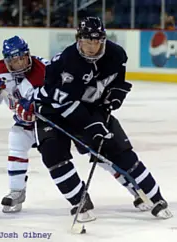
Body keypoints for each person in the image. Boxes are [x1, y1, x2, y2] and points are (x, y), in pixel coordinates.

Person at [16, 17, 172, 219]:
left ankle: (155, 197)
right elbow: (66, 103)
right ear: (78, 40)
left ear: (103, 40)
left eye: (96, 41)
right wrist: (93, 126)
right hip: (54, 110)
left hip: (90, 108)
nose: (91, 46)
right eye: (87, 41)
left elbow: (118, 82)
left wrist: (114, 98)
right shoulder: (68, 62)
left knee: (121, 152)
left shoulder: (116, 55)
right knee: (54, 155)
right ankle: (78, 201)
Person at [0, 35, 49, 213]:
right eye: (14, 60)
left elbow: (60, 96)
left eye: (22, 58)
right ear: (7, 60)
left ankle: (76, 193)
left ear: (28, 54)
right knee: (16, 140)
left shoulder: (44, 68)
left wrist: (39, 108)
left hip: (51, 122)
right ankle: (17, 191)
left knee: (60, 157)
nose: (20, 64)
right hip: (24, 123)